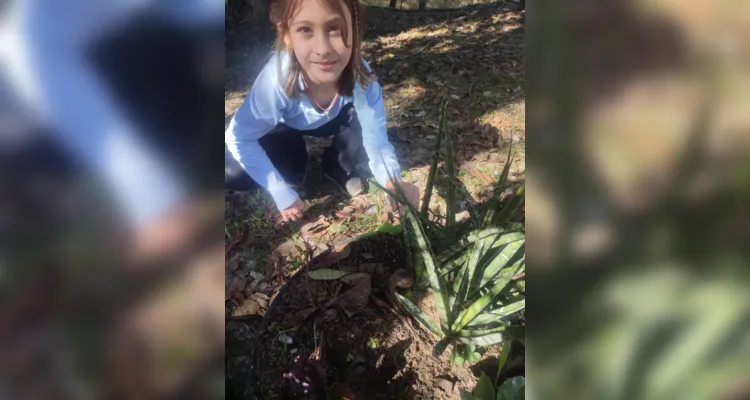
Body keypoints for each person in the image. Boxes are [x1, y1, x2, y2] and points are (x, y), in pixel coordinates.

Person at [225, 0, 420, 222]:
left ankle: (337, 163)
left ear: (355, 30)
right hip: (286, 125)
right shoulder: (274, 80)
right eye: (305, 29)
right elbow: (238, 136)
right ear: (286, 34)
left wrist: (391, 180)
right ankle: (294, 160)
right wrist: (280, 191)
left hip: (338, 119)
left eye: (335, 28)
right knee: (232, 172)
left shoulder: (361, 77)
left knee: (364, 131)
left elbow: (376, 139)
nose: (323, 49)